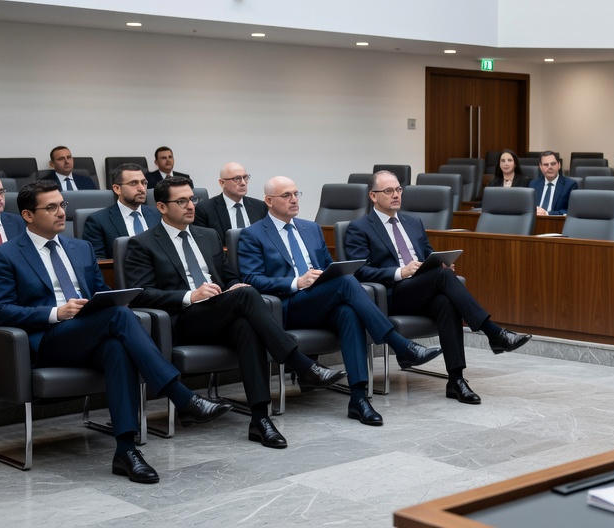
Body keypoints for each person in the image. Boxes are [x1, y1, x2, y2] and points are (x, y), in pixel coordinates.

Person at [0, 180, 230, 483]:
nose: (61, 212)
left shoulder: (81, 248)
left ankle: (126, 452)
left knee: (116, 345)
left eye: (63, 205)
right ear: (28, 215)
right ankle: (180, 395)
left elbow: (102, 293)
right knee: (119, 317)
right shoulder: (4, 255)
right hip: (47, 339)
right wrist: (54, 313)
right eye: (51, 207)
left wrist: (110, 301)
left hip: (90, 331)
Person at [122, 176, 344, 448]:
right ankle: (300, 363)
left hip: (217, 312)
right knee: (247, 296)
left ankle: (260, 419)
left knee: (246, 326)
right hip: (180, 320)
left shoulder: (208, 236)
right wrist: (191, 295)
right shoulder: (142, 243)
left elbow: (228, 277)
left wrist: (234, 285)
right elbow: (141, 293)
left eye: (193, 199)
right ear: (161, 207)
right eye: (182, 201)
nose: (191, 206)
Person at [237, 176, 442, 426]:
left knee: (348, 311)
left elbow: (327, 266)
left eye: (296, 194)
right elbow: (251, 278)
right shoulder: (253, 234)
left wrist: (326, 276)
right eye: (286, 196)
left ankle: (358, 398)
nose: (294, 200)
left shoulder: (310, 228)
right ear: (269, 201)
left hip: (320, 298)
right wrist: (296, 282)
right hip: (287, 305)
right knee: (346, 283)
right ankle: (398, 343)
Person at [343, 171, 531, 405]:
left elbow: (428, 255)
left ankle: (456, 379)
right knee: (442, 279)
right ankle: (493, 332)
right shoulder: (359, 227)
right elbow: (359, 272)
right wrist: (401, 272)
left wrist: (441, 264)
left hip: (421, 288)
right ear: (373, 196)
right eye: (388, 191)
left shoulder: (413, 222)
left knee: (445, 301)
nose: (396, 195)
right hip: (391, 294)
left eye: (399, 190)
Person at [81, 163, 161, 259]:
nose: (141, 188)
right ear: (117, 189)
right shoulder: (97, 221)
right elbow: (98, 261)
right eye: (133, 183)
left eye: (144, 183)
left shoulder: (158, 214)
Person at [194, 162, 268, 236]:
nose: (243, 183)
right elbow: (204, 241)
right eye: (237, 179)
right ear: (222, 183)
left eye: (245, 178)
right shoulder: (205, 209)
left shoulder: (260, 207)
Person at [530, 151, 577, 216]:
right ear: (540, 167)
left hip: (556, 222)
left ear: (559, 165)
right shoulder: (533, 184)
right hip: (536, 221)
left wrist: (547, 213)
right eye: (546, 165)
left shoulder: (570, 185)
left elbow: (570, 210)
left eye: (553, 164)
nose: (550, 167)